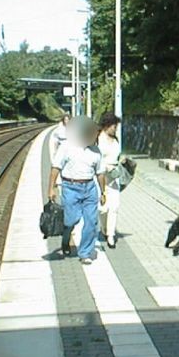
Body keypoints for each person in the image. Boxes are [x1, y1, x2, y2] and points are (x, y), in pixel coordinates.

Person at [48, 116, 106, 264]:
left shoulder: (96, 151)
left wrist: (103, 192)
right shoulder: (67, 147)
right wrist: (51, 188)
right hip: (70, 187)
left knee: (92, 222)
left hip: (89, 188)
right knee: (71, 219)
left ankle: (85, 252)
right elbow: (56, 167)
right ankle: (65, 239)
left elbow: (100, 173)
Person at [97, 112, 123, 249]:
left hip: (114, 177)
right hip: (100, 176)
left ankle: (111, 235)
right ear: (107, 125)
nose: (115, 129)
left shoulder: (116, 140)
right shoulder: (98, 138)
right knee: (102, 209)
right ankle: (104, 228)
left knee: (114, 207)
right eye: (114, 126)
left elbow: (117, 157)